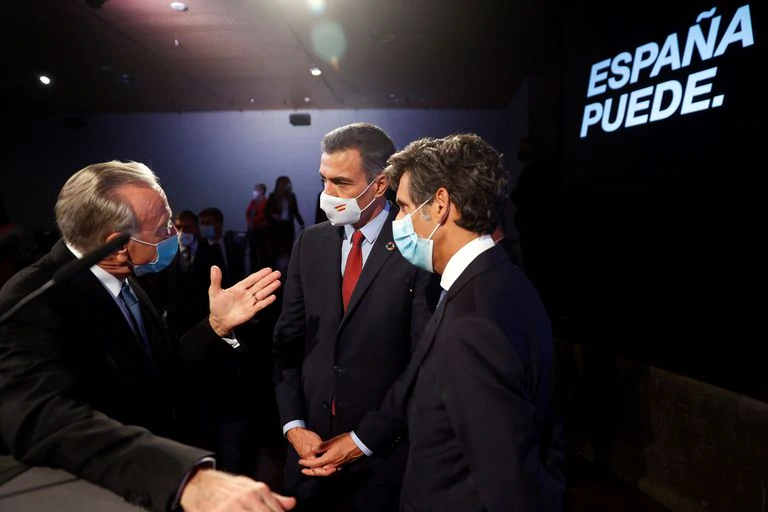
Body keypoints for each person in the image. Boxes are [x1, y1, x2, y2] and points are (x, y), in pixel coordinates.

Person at [0, 161, 295, 512]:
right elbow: (46, 419)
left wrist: (215, 326)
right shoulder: (33, 298)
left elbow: (162, 370)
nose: (173, 233)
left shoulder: (126, 280)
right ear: (117, 245)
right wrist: (184, 479)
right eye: (163, 227)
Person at [381, 134, 565, 511]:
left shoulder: (472, 323)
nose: (396, 221)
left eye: (403, 207)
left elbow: (509, 484)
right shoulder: (500, 277)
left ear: (440, 205)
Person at [272, 123, 437, 512]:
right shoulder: (309, 243)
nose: (327, 194)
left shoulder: (417, 247)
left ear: (379, 185)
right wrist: (294, 427)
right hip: (307, 459)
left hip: (380, 463)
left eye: (342, 183)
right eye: (324, 180)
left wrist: (362, 440)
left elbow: (422, 364)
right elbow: (287, 344)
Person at [266, 176, 304, 273]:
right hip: (276, 227)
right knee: (275, 251)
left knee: (288, 249)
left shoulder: (291, 196)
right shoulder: (273, 196)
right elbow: (266, 211)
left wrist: (301, 223)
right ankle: (273, 274)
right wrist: (273, 215)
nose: (288, 185)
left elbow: (295, 211)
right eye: (286, 183)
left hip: (288, 226)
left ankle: (289, 274)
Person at [247, 183, 270, 271]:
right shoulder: (253, 202)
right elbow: (248, 212)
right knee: (253, 253)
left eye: (256, 190)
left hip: (262, 230)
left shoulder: (267, 202)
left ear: (262, 191)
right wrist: (249, 222)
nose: (254, 192)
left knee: (263, 253)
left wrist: (253, 222)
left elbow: (264, 215)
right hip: (253, 231)